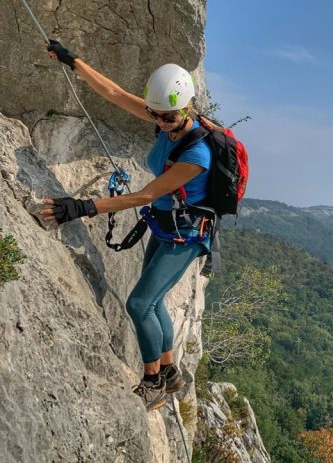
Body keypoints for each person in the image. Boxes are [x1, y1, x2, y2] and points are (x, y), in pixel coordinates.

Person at [39, 40, 213, 411]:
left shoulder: (197, 153)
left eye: (168, 118)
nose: (160, 123)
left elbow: (144, 195)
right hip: (166, 225)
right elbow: (115, 93)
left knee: (139, 303)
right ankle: (169, 371)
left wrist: (83, 207)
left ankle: (153, 382)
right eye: (156, 115)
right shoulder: (166, 121)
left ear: (187, 108)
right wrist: (73, 61)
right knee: (154, 300)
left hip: (186, 236)